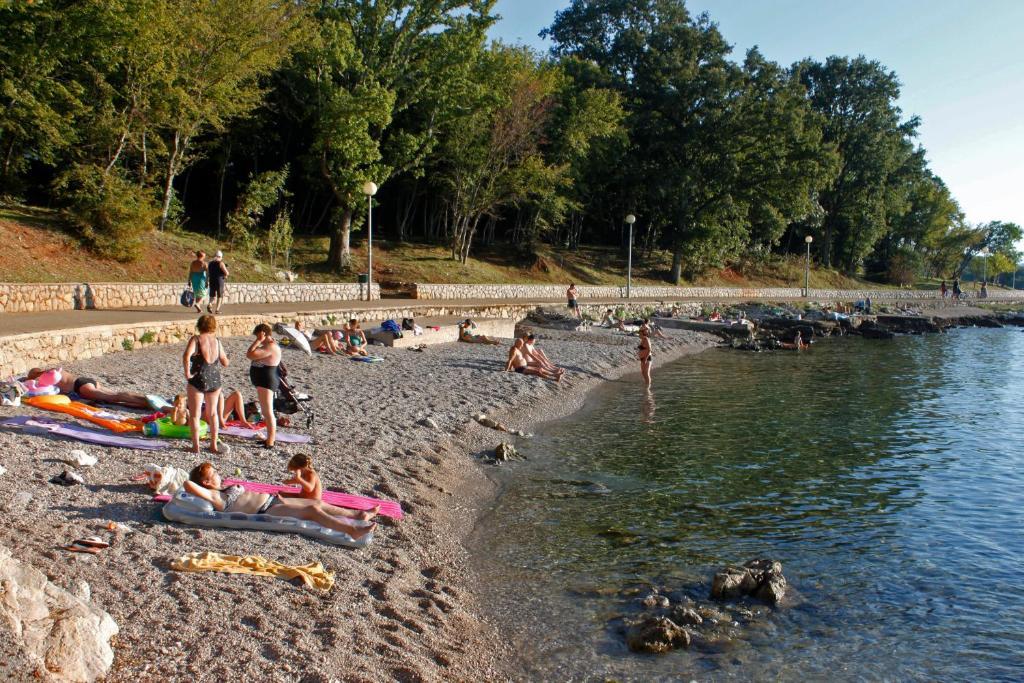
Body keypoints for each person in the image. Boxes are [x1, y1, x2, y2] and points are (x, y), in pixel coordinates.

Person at [183, 463, 377, 540]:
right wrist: (203, 486)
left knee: (316, 503)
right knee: (312, 512)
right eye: (214, 474)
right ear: (206, 482)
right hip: (267, 512)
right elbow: (188, 484)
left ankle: (359, 515)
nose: (218, 474)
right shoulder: (215, 496)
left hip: (273, 501)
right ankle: (351, 530)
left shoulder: (224, 489)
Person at [183, 314, 229, 455]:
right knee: (213, 413)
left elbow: (186, 356)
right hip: (214, 379)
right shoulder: (217, 341)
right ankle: (213, 445)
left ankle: (196, 446)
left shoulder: (196, 339)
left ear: (199, 325)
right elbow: (225, 362)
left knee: (195, 415)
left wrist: (187, 373)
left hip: (198, 378)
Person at [27, 368, 153, 409]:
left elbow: (44, 391)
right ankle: (145, 400)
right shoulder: (56, 370)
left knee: (115, 397)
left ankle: (146, 402)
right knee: (115, 395)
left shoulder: (47, 377)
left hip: (81, 387)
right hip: (87, 381)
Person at [246, 323, 281, 448]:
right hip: (263, 380)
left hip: (266, 381)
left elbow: (250, 354)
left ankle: (270, 441)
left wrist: (257, 341)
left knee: (267, 411)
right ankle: (269, 438)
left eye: (258, 335)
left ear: (263, 334)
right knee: (266, 411)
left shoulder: (270, 346)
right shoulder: (268, 345)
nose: (257, 338)